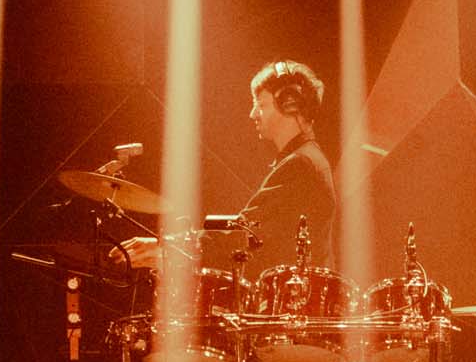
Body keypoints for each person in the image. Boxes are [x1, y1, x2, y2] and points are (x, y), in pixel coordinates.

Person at [124, 58, 336, 279]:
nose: (253, 114)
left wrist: (168, 245)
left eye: (261, 105)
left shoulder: (300, 164)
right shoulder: (306, 158)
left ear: (290, 105)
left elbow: (245, 232)